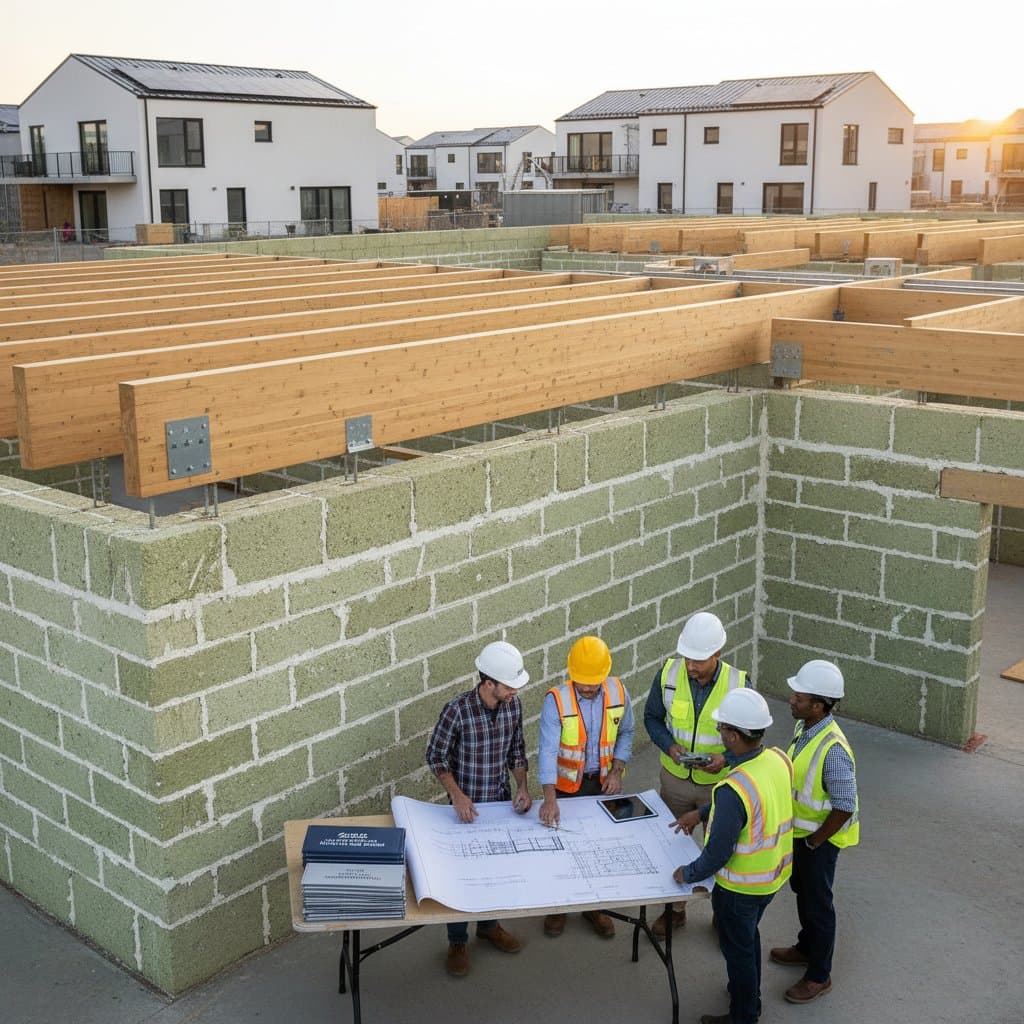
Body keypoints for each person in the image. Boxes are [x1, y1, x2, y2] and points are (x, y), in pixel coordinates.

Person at [672, 688, 794, 1024]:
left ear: (734, 736)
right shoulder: (778, 760)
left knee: (738, 951)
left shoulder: (733, 788)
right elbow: (752, 805)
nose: (719, 733)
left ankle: (744, 1015)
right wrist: (702, 812)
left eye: (722, 728)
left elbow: (717, 853)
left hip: (741, 888)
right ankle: (747, 996)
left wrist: (687, 873)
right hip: (772, 876)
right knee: (748, 938)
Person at [425, 640, 533, 977]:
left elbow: (517, 751)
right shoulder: (456, 711)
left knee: (494, 872)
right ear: (489, 683)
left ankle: (488, 927)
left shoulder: (513, 707)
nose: (515, 692)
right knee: (462, 878)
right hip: (465, 811)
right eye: (510, 686)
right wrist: (457, 796)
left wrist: (523, 786)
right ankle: (457, 941)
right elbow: (436, 756)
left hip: (499, 804)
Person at [643, 611, 748, 936]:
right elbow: (652, 718)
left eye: (698, 660)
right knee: (673, 845)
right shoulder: (668, 674)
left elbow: (751, 739)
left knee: (722, 850)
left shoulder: (738, 685)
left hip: (719, 786)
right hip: (675, 781)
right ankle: (675, 911)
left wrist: (725, 758)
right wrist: (669, 746)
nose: (690, 665)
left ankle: (722, 914)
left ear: (717, 653)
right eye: (687, 657)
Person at [770, 660, 859, 1005]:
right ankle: (806, 948)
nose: (791, 700)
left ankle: (819, 976)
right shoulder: (806, 728)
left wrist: (814, 840)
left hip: (818, 842)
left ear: (819, 705)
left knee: (818, 905)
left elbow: (845, 805)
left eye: (799, 697)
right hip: (802, 837)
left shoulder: (833, 750)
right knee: (804, 894)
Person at [538, 635, 635, 940]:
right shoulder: (556, 701)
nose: (589, 688)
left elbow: (627, 731)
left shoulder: (618, 692)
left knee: (600, 848)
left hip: (603, 784)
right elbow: (547, 751)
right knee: (562, 847)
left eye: (594, 683)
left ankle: (595, 906)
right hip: (567, 788)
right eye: (583, 683)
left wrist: (617, 771)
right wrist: (549, 798)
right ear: (572, 674)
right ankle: (558, 906)